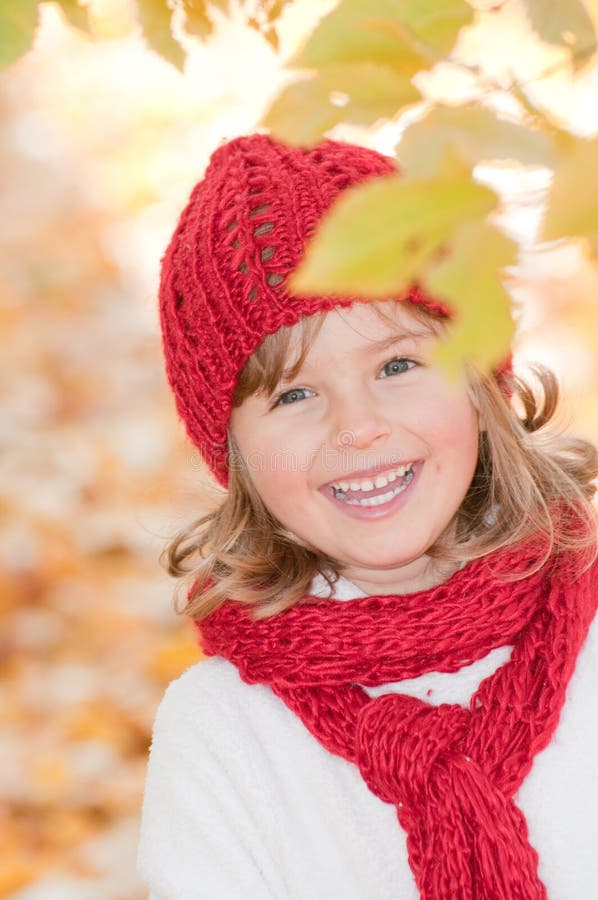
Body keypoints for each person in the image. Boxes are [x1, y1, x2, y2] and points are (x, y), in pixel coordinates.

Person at [137, 133, 598, 899]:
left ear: (482, 385)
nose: (357, 427)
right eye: (293, 394)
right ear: (234, 455)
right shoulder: (224, 732)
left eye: (396, 365)